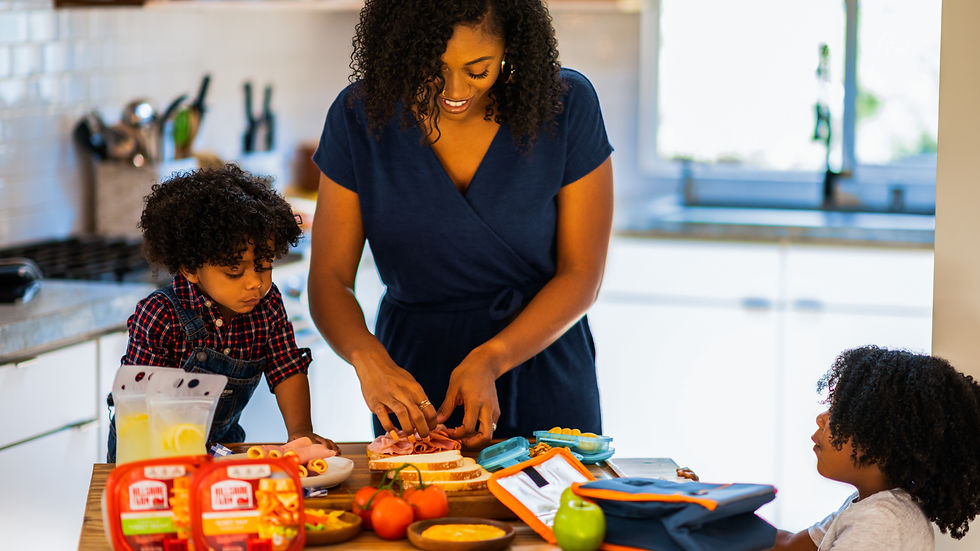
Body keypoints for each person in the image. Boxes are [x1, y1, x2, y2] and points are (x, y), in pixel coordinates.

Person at [308, 0, 614, 447]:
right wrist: (368, 359)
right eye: (432, 69)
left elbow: (582, 273)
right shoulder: (359, 116)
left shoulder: (566, 105)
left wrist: (492, 358)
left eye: (478, 69)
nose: (453, 91)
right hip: (414, 375)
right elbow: (330, 278)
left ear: (512, 44)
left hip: (542, 362)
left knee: (555, 511)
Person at [107, 164, 337, 461]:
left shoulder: (267, 305)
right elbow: (140, 406)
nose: (255, 283)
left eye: (263, 265)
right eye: (234, 272)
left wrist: (300, 432)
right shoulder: (160, 314)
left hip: (221, 447)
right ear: (190, 268)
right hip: (149, 450)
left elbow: (287, 368)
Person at [769, 345, 980, 550]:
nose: (821, 419)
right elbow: (787, 545)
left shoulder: (880, 521)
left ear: (877, 437)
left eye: (838, 409)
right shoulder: (871, 504)